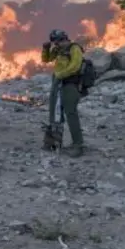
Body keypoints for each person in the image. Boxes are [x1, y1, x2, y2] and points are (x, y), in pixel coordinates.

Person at [41, 29, 85, 157]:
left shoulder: (74, 48)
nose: (57, 44)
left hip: (70, 84)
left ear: (64, 39)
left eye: (58, 41)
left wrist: (60, 75)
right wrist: (46, 49)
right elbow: (46, 59)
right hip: (57, 83)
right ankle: (52, 142)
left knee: (70, 113)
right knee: (54, 112)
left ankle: (78, 145)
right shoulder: (58, 50)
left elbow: (75, 66)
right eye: (55, 42)